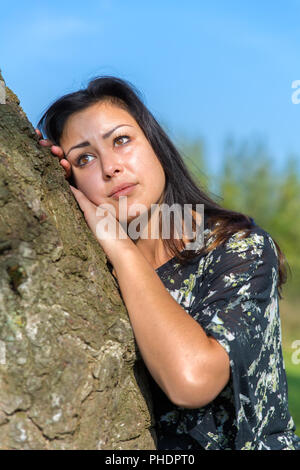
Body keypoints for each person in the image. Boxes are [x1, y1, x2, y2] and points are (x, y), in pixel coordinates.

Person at [36, 76, 300, 450]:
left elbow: (191, 381)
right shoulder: (89, 273)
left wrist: (120, 246)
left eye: (121, 140)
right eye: (85, 158)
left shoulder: (238, 247)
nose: (110, 167)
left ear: (155, 144)